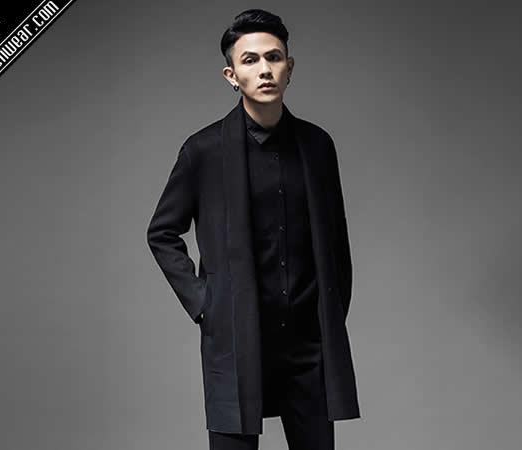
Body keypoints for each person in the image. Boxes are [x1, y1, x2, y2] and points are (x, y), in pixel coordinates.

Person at [146, 8, 360, 450]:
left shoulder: (318, 146)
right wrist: (206, 304)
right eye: (250, 60)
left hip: (308, 344)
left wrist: (332, 308)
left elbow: (336, 239)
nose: (264, 69)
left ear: (289, 68)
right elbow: (162, 232)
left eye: (274, 57)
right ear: (231, 75)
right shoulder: (203, 151)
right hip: (238, 336)